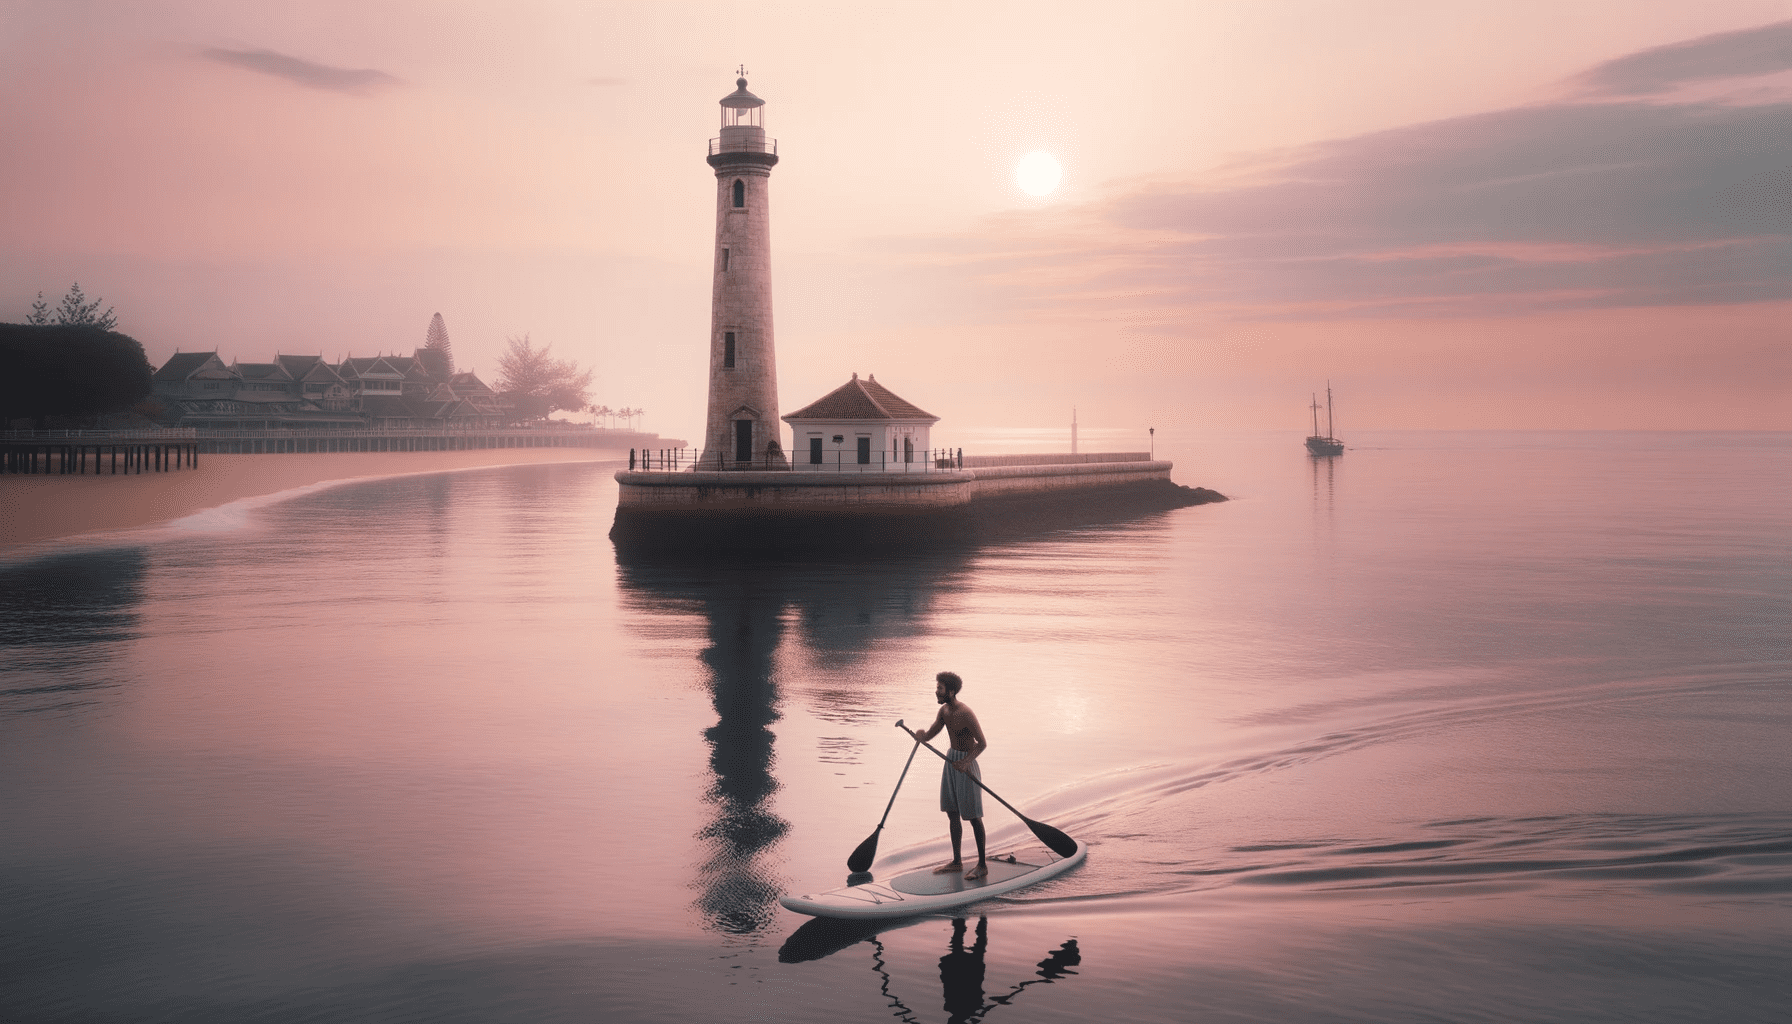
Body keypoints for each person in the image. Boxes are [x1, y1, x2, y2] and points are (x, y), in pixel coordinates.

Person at [906, 671, 989, 879]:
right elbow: (931, 734)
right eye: (937, 688)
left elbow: (982, 744)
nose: (936, 691)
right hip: (951, 762)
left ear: (951, 692)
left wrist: (966, 762)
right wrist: (920, 735)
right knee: (952, 812)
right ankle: (957, 862)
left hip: (967, 766)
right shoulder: (944, 711)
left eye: (940, 689)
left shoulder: (966, 713)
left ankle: (982, 865)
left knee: (973, 817)